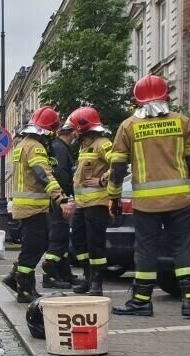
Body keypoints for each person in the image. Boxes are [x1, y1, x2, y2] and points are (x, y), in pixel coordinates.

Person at [107, 74, 190, 318]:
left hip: (146, 203)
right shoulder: (182, 122)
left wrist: (113, 197)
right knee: (184, 248)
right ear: (167, 96)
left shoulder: (128, 126)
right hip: (180, 200)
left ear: (137, 101)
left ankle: (141, 301)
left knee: (145, 250)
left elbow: (118, 167)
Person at [2, 106, 73, 303]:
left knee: (31, 246)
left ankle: (13, 278)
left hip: (25, 206)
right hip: (34, 207)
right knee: (35, 248)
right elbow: (43, 174)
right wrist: (61, 199)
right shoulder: (35, 147)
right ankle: (24, 289)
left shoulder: (22, 145)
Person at [68, 106, 112, 296]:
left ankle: (96, 283)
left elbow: (119, 165)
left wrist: (101, 180)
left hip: (97, 203)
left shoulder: (103, 143)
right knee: (78, 241)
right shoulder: (84, 145)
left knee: (95, 244)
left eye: (76, 128)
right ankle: (87, 276)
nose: (74, 132)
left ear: (84, 127)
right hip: (82, 204)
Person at [40, 121, 78, 289]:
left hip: (54, 200)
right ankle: (49, 275)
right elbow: (62, 176)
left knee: (61, 237)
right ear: (73, 133)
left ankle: (64, 274)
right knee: (59, 237)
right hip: (58, 200)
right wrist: (67, 198)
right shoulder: (61, 149)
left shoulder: (56, 147)